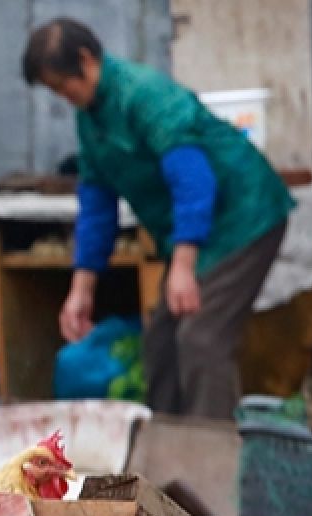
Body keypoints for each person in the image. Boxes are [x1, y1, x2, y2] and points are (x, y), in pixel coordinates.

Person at [23, 18, 295, 420]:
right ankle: (166, 450)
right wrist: (82, 290)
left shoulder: (144, 94)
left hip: (243, 218)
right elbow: (97, 206)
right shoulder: (90, 119)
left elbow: (193, 180)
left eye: (65, 86)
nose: (65, 97)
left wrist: (182, 266)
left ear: (86, 59)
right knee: (162, 342)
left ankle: (213, 460)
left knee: (202, 338)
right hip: (199, 231)